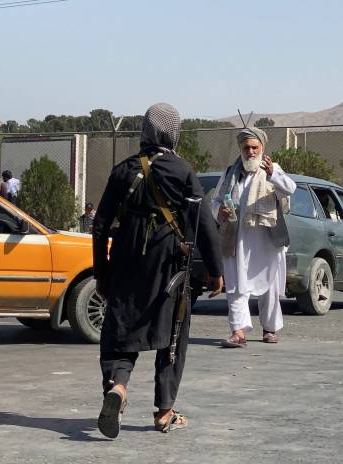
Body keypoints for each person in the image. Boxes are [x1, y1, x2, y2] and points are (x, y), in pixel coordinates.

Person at [91, 103, 224, 438]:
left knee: (120, 329)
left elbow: (100, 224)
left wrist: (101, 272)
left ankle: (118, 387)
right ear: (172, 132)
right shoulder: (182, 171)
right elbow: (204, 224)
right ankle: (164, 412)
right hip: (168, 264)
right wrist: (215, 270)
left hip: (125, 259)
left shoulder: (123, 170)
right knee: (173, 332)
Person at [213, 127, 296, 348]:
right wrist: (219, 211)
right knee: (236, 285)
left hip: (267, 239)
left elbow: (290, 188)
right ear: (241, 149)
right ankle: (238, 332)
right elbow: (216, 200)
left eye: (254, 147)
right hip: (236, 238)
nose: (250, 152)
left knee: (269, 285)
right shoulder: (230, 173)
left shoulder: (272, 168)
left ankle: (270, 328)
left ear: (262, 148)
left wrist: (273, 173)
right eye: (246, 148)